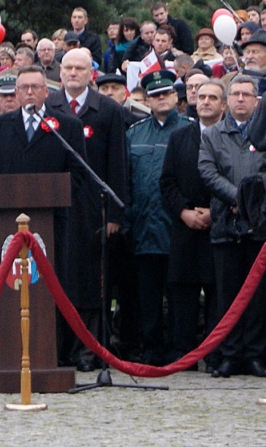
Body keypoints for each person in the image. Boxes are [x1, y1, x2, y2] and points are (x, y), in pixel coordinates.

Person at [0, 66, 87, 366]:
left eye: (34, 87)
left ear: (46, 92)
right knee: (7, 287)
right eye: (22, 87)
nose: (28, 92)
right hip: (6, 226)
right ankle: (1, 352)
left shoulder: (66, 126)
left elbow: (78, 174)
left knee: (53, 287)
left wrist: (54, 193)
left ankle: (57, 353)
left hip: (53, 226)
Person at [47, 49, 128, 371]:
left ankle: (89, 350)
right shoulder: (48, 107)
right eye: (67, 67)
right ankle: (58, 349)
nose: (72, 73)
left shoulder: (107, 110)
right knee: (60, 280)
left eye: (79, 68)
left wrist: (115, 216)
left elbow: (118, 165)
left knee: (91, 285)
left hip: (94, 210)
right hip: (55, 207)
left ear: (90, 73)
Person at [198, 75, 266, 378]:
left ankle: (255, 354)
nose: (240, 99)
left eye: (246, 94)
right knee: (228, 295)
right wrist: (237, 196)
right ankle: (229, 355)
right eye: (235, 93)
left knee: (258, 295)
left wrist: (253, 197)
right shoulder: (212, 135)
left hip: (260, 224)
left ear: (256, 100)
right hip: (226, 223)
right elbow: (207, 171)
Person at [125, 70, 190, 366]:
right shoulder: (134, 133)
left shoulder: (191, 130)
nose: (161, 99)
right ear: (147, 100)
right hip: (144, 227)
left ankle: (181, 349)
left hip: (179, 227)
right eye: (155, 95)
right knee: (147, 294)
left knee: (180, 293)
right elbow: (126, 179)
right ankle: (151, 348)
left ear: (176, 97)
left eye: (166, 93)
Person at [161, 79, 223, 371]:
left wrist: (215, 212)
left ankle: (215, 354)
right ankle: (184, 354)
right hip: (185, 227)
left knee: (218, 294)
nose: (206, 101)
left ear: (223, 105)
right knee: (183, 294)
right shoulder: (179, 137)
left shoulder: (231, 136)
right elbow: (167, 182)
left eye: (213, 97)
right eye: (202, 96)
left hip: (221, 227)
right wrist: (185, 212)